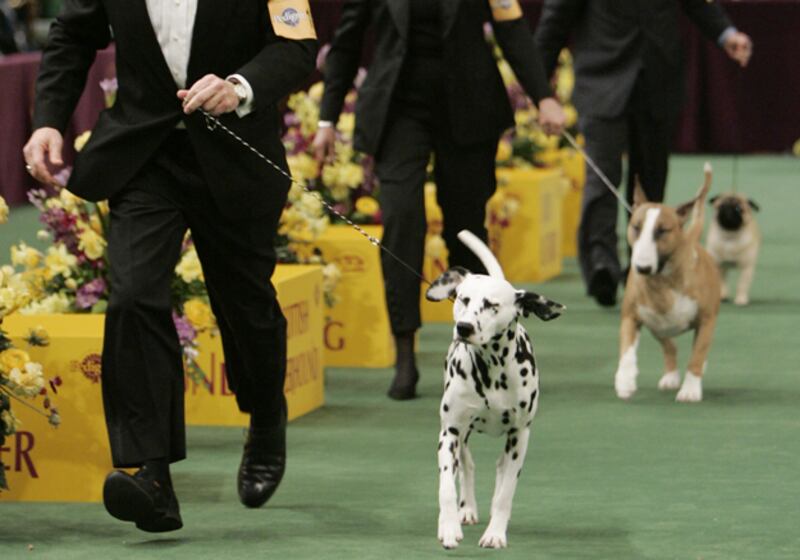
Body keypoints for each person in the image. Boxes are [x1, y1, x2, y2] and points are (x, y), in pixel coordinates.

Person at [23, 0, 317, 532]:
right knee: (134, 295)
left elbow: (296, 46)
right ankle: (150, 474)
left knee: (247, 305)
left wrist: (240, 86)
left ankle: (266, 416)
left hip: (236, 155)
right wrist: (48, 120)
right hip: (144, 155)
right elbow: (73, 34)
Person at [312, 0, 565, 400]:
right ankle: (405, 350)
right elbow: (347, 41)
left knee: (465, 229)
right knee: (401, 219)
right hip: (398, 109)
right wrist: (327, 120)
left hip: (469, 103)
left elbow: (511, 28)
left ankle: (483, 340)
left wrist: (544, 96)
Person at [535, 0, 752, 307]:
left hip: (658, 78)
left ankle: (644, 262)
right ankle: (602, 267)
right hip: (601, 80)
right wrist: (540, 91)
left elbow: (699, 5)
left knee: (650, 179)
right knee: (601, 177)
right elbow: (555, 21)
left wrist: (725, 34)